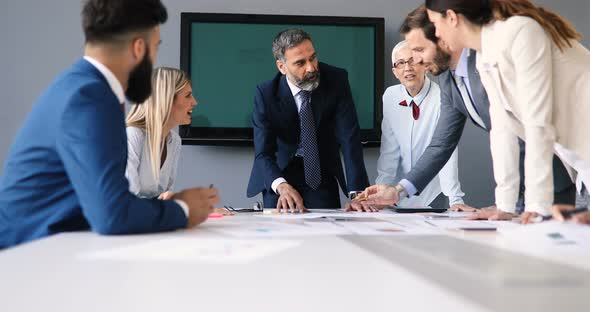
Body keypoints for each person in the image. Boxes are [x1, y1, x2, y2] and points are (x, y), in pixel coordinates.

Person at [0, 0, 219, 249]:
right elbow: (112, 214)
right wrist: (183, 208)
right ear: (139, 48)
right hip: (23, 260)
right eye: (155, 47)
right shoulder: (90, 98)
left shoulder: (80, 86)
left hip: (46, 249)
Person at [351, 5, 575, 221]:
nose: (414, 62)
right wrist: (398, 191)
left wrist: (516, 203)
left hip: (557, 171)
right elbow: (442, 144)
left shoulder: (495, 55)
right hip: (535, 184)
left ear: (443, 34)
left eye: (418, 50)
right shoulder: (449, 79)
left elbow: (528, 130)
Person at [424, 0, 589, 223]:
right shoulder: (484, 56)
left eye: (435, 23)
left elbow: (537, 121)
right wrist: (505, 205)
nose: (436, 33)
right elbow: (502, 130)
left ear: (452, 18)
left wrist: (537, 204)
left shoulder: (520, 30)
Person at [246, 29, 369, 212]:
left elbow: (349, 139)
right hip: (280, 172)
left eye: (313, 58)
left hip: (319, 171)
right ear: (282, 67)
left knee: (326, 231)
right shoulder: (266, 94)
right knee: (278, 234)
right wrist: (281, 185)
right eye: (300, 63)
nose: (311, 68)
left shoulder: (336, 80)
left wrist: (357, 194)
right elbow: (264, 153)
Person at [125, 67, 231, 215]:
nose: (195, 102)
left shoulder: (174, 141)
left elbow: (164, 198)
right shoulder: (132, 135)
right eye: (188, 95)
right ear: (166, 99)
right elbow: (126, 201)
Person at [376, 40, 465, 209]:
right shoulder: (390, 96)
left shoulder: (442, 96)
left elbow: (446, 150)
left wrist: (455, 199)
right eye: (401, 63)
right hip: (396, 193)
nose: (407, 68)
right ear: (395, 72)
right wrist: (382, 187)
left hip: (431, 193)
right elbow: (389, 149)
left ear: (424, 65)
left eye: (413, 61)